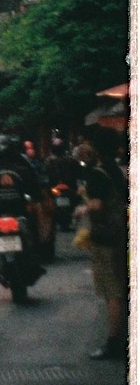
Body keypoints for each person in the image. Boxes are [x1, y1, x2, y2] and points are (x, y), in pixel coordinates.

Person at [80, 130, 128, 360]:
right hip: (119, 235)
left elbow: (97, 206)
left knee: (112, 291)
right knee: (118, 287)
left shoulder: (97, 174)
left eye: (89, 143)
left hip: (105, 238)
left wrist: (82, 208)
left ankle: (114, 341)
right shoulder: (116, 171)